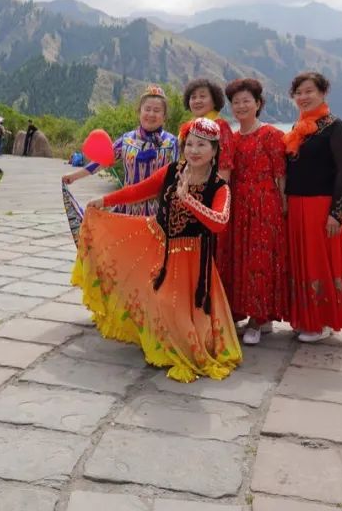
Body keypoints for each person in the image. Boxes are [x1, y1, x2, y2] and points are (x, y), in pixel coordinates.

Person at [73, 118, 241, 382]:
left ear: (214, 150)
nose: (194, 151)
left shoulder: (219, 187)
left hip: (193, 260)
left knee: (178, 310)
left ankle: (182, 346)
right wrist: (105, 200)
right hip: (159, 246)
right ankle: (160, 343)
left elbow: (219, 222)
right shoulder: (172, 170)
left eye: (202, 145)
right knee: (157, 300)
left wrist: (189, 201)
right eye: (190, 144)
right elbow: (138, 191)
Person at [283, 72, 342, 343]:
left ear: (322, 93)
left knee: (319, 262)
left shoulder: (335, 126)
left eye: (309, 91)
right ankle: (304, 318)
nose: (303, 97)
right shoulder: (298, 128)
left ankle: (323, 320)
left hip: (321, 206)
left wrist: (336, 213)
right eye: (299, 93)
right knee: (300, 262)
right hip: (295, 205)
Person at [216, 78, 288, 345]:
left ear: (258, 104)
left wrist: (283, 206)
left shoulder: (271, 135)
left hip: (264, 205)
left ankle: (259, 318)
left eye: (247, 101)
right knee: (240, 260)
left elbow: (281, 176)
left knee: (260, 261)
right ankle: (247, 313)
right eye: (236, 102)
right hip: (237, 205)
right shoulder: (232, 139)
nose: (241, 106)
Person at [62, 85, 179, 216]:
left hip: (158, 213)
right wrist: (73, 176)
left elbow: (175, 179)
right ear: (139, 112)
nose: (151, 114)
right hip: (127, 209)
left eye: (157, 110)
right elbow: (101, 162)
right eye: (147, 109)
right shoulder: (127, 140)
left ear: (164, 116)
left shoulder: (172, 143)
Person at [182, 77, 234, 182]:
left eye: (202, 96)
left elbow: (224, 165)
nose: (197, 101)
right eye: (193, 97)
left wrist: (219, 190)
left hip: (211, 188)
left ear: (214, 101)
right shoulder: (189, 126)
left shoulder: (220, 126)